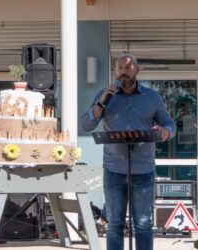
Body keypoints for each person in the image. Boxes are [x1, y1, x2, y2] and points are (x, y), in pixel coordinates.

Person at [81, 54, 175, 250]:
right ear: (116, 71)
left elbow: (168, 124)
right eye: (120, 67)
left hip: (144, 170)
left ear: (137, 70)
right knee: (114, 224)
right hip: (114, 170)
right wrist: (101, 101)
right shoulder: (104, 96)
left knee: (143, 224)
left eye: (128, 67)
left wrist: (165, 132)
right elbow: (87, 125)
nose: (124, 70)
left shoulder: (152, 97)